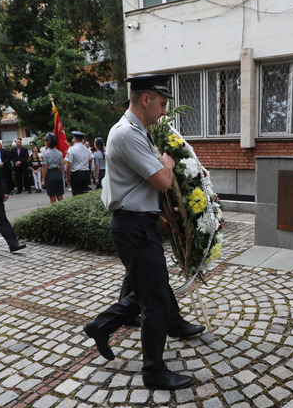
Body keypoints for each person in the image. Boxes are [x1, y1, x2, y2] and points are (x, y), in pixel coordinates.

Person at [84, 74, 205, 391]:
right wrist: (166, 161)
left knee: (150, 287)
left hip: (139, 222)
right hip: (132, 226)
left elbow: (143, 184)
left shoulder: (139, 131)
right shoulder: (127, 134)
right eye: (163, 103)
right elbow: (163, 180)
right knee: (153, 300)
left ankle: (103, 325)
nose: (165, 111)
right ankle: (153, 371)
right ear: (146, 99)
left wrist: (160, 214)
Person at [41, 133, 66, 203]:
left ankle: (54, 212)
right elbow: (61, 166)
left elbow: (45, 167)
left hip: (50, 174)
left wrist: (43, 179)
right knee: (60, 196)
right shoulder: (59, 153)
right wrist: (60, 175)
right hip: (58, 173)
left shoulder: (45, 154)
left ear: (48, 142)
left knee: (52, 197)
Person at [66, 131, 92, 196]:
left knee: (76, 195)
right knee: (85, 195)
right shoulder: (87, 149)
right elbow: (90, 159)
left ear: (74, 139)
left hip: (76, 174)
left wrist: (67, 176)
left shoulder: (72, 149)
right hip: (86, 173)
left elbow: (69, 164)